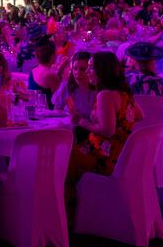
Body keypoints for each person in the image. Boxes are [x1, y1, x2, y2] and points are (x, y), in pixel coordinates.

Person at [65, 52, 141, 213]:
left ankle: (70, 214)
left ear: (102, 70)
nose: (87, 71)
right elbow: (140, 115)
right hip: (121, 153)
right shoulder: (123, 92)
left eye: (91, 67)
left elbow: (107, 130)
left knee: (61, 160)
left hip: (103, 154)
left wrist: (81, 121)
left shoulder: (105, 95)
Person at [52, 51, 97, 116]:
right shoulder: (66, 88)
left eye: (82, 69)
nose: (77, 73)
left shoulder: (96, 90)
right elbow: (56, 112)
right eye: (75, 69)